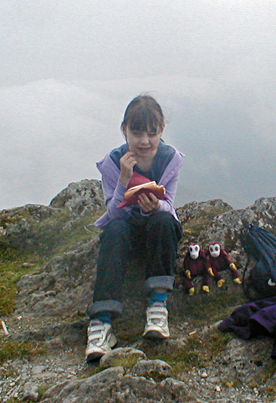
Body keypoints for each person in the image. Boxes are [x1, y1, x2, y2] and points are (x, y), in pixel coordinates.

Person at [86, 95, 184, 362]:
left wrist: (156, 207)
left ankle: (157, 305)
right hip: (125, 231)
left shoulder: (170, 159)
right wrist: (123, 180)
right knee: (115, 230)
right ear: (124, 130)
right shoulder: (113, 162)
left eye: (152, 133)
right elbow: (112, 212)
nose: (144, 141)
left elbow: (170, 206)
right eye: (137, 132)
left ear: (161, 130)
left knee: (165, 222)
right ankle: (101, 323)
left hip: (156, 229)